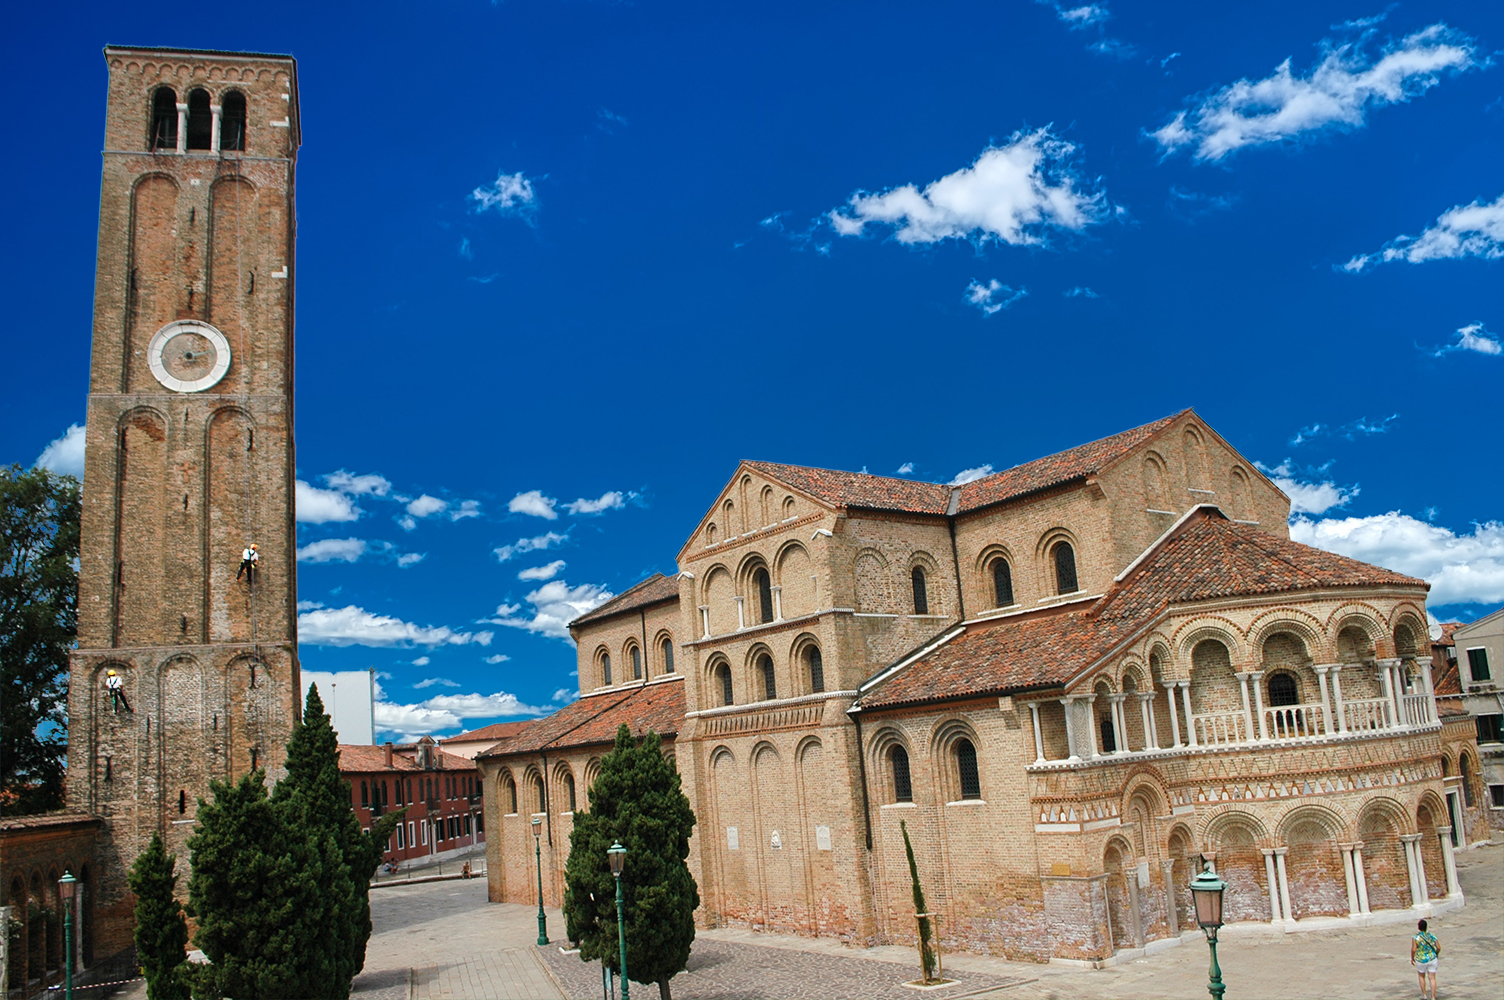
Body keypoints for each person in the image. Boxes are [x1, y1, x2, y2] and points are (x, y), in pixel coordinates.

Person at [1411, 917, 1439, 1000]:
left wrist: (1412, 958)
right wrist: (1436, 954)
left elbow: (1414, 949)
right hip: (1432, 958)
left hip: (1421, 959)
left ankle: (1424, 994)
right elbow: (1438, 947)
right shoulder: (1432, 935)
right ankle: (1433, 997)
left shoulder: (1416, 937)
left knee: (1421, 976)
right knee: (1432, 978)